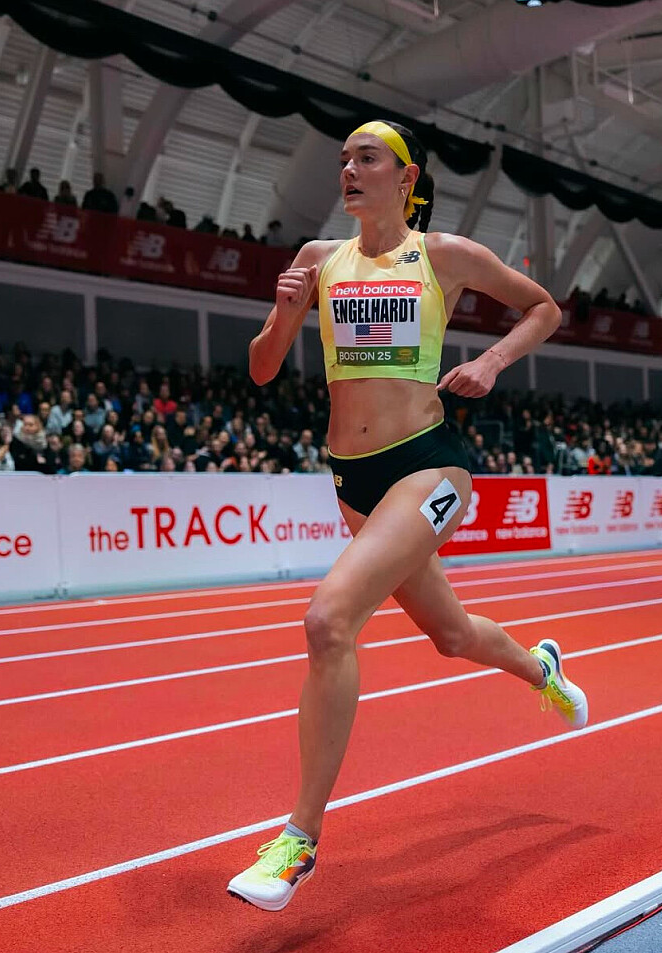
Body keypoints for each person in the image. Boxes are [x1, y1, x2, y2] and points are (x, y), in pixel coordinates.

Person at [227, 120, 588, 911]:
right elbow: (260, 369)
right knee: (450, 634)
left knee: (329, 620)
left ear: (406, 178)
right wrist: (284, 315)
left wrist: (491, 360)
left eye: (367, 159)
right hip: (352, 479)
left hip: (429, 462)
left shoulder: (444, 255)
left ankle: (297, 842)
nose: (349, 170)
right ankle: (542, 668)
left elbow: (544, 308)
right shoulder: (319, 259)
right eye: (343, 160)